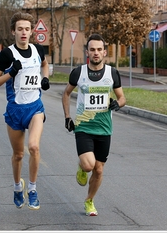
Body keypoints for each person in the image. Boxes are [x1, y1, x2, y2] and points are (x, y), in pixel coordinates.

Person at [0, 12, 50, 210]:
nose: (24, 32)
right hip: (15, 110)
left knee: (34, 147)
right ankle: (17, 187)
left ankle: (32, 189)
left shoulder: (38, 50)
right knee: (18, 155)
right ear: (13, 31)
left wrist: (45, 78)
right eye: (20, 29)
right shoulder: (7, 54)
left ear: (32, 31)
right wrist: (10, 73)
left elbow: (44, 64)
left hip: (35, 108)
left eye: (27, 29)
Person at [62, 33, 126, 216]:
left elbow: (122, 98)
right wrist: (67, 117)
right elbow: (66, 94)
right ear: (87, 52)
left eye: (99, 49)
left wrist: (117, 103)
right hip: (83, 127)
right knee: (89, 165)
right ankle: (82, 166)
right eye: (92, 49)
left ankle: (89, 200)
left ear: (104, 52)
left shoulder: (112, 73)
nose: (96, 53)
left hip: (104, 128)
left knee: (98, 169)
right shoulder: (78, 73)